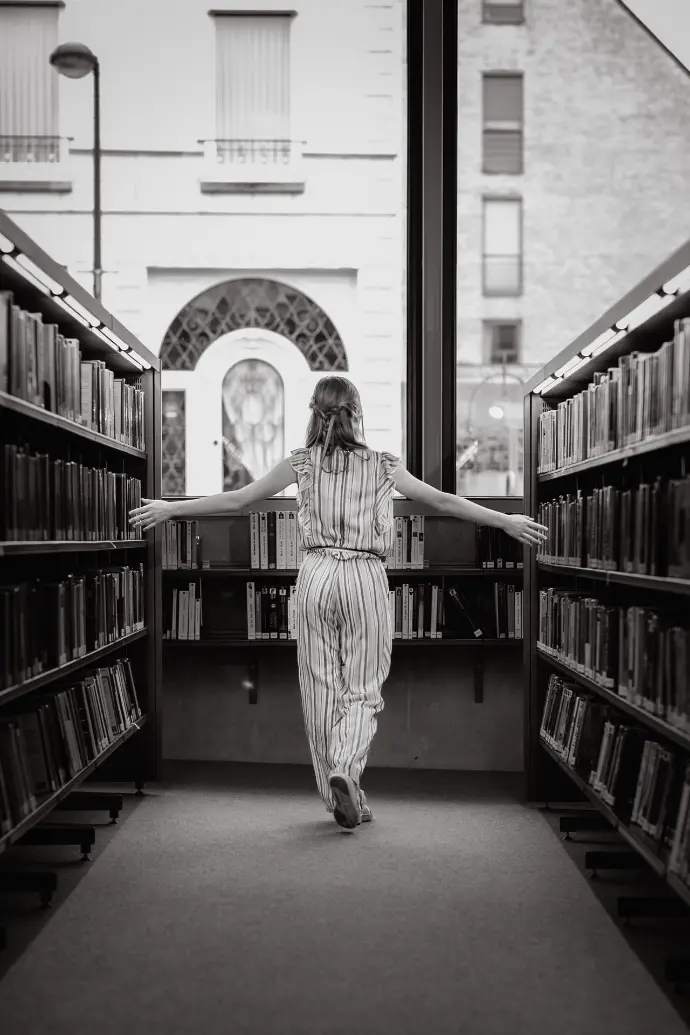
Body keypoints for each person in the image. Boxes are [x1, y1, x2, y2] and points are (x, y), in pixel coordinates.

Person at [129, 375, 547, 832]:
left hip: (314, 577)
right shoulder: (384, 464)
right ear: (356, 412)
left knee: (320, 693)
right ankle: (346, 771)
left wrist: (171, 509)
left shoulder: (301, 463)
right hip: (363, 576)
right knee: (363, 689)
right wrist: (504, 520)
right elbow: (443, 501)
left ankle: (343, 798)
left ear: (313, 411)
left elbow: (239, 499)